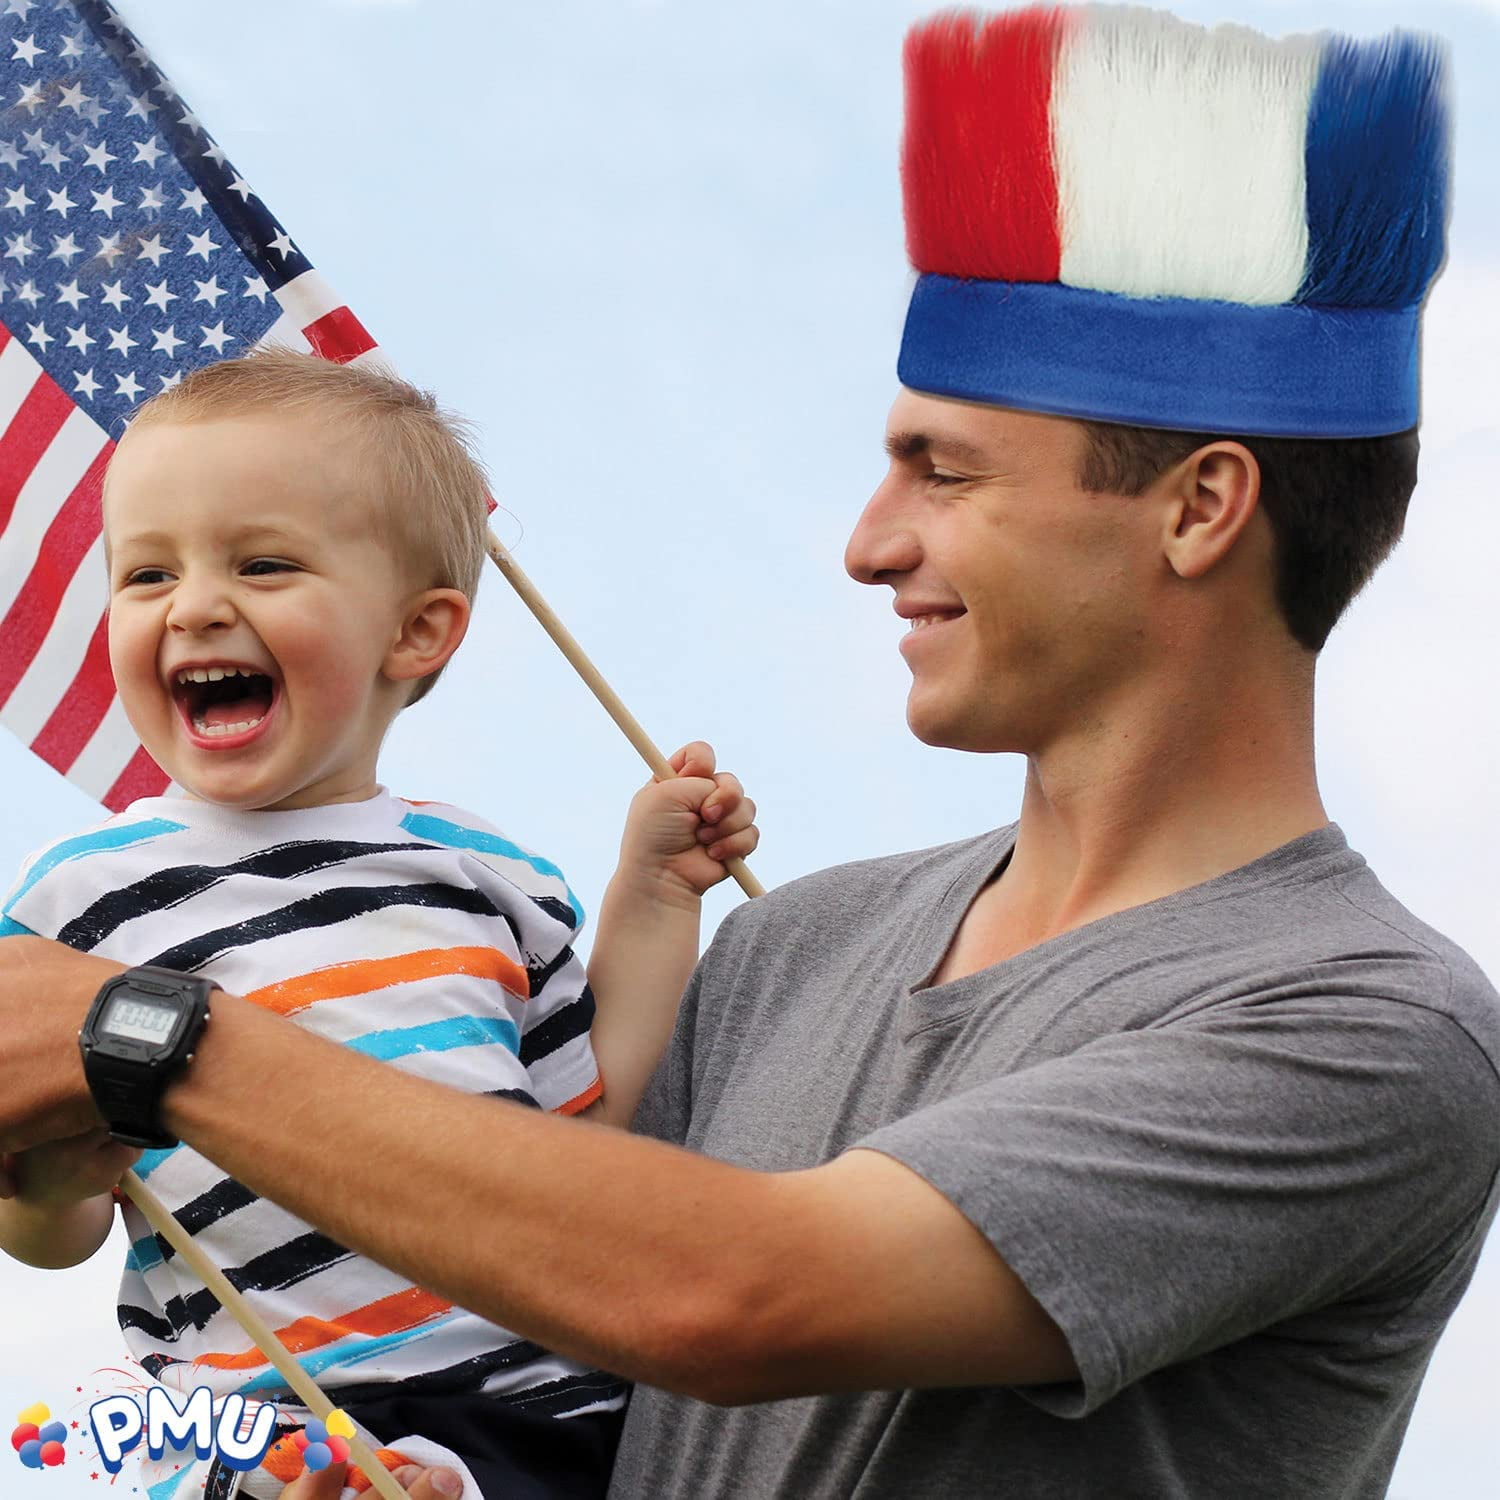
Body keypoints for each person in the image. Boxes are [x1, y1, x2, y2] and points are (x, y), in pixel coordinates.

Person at [2, 6, 1498, 1499]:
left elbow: (729, 1295)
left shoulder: (1364, 1026)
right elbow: (541, 1223)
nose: (867, 543)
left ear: (1199, 507)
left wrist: (141, 1039)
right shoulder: (801, 943)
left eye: (943, 470)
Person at [0, 349, 758, 1500]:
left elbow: (595, 1125)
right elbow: (51, 1235)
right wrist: (51, 1182)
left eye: (262, 564)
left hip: (524, 1403)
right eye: (145, 575)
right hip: (252, 1421)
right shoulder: (69, 911)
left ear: (418, 633)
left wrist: (653, 898)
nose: (196, 604)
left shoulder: (485, 874)